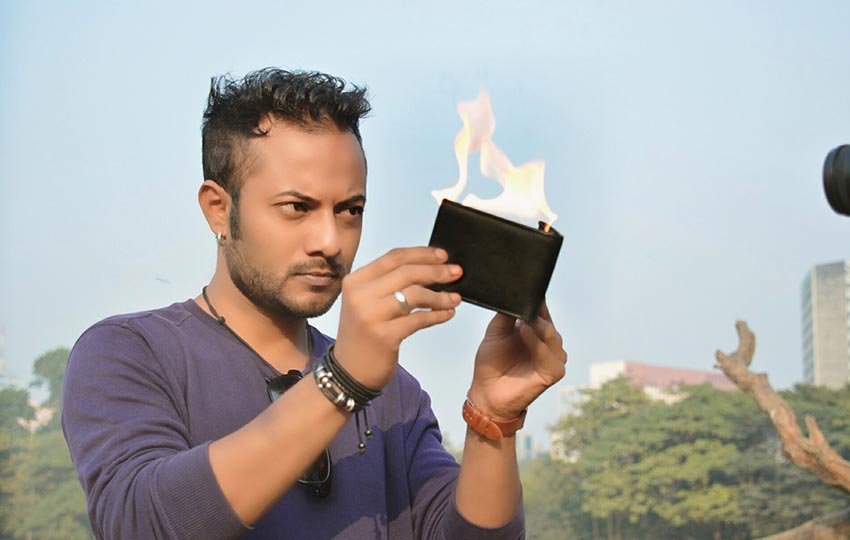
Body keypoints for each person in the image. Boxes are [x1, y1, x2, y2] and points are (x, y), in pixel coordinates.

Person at [61, 68, 567, 540]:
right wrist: (341, 383)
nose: (329, 240)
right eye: (296, 207)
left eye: (350, 210)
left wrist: (492, 419)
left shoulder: (394, 392)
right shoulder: (130, 353)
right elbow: (142, 521)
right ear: (219, 209)